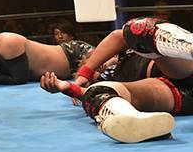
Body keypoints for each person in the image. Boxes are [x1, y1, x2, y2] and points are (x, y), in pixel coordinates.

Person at [40, 17, 193, 143]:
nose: (102, 68)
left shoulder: (127, 51)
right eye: (99, 71)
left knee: (138, 29)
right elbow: (89, 92)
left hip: (181, 67)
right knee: (96, 93)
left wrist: (83, 76)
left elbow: (117, 36)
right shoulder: (106, 80)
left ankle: (189, 44)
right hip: (174, 91)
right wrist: (68, 88)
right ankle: (137, 122)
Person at [0, 32, 93, 85]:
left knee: (104, 73)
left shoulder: (8, 42)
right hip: (69, 68)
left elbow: (19, 79)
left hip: (75, 55)